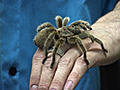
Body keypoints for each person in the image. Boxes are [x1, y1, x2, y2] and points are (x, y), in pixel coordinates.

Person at [1, 0, 120, 90]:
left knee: (87, 37)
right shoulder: (64, 38)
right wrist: (52, 60)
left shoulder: (67, 27)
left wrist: (115, 21)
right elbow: (59, 41)